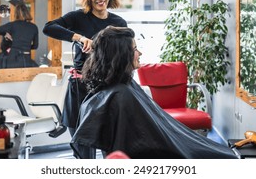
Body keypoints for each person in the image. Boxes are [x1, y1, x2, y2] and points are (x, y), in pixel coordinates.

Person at [71, 26, 238, 159]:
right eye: (135, 49)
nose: (140, 53)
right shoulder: (121, 95)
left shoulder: (120, 88)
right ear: (121, 55)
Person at [42, 0, 127, 137]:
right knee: (82, 148)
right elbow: (48, 27)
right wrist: (78, 37)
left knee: (110, 144)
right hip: (81, 90)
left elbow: (123, 57)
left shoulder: (119, 23)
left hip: (108, 90)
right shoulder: (78, 17)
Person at [0, 3, 39, 69]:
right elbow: (35, 46)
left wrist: (6, 34)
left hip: (13, 59)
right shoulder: (34, 27)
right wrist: (25, 47)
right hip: (27, 58)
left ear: (16, 14)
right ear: (27, 12)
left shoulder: (13, 25)